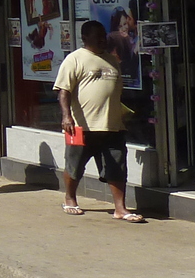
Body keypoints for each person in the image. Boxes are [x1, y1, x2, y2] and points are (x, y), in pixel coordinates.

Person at [55, 19, 144, 221]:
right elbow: (64, 91)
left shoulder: (112, 60)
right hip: (80, 126)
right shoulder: (74, 59)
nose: (103, 39)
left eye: (104, 35)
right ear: (85, 37)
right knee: (74, 165)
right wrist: (66, 116)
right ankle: (70, 199)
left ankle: (120, 209)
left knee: (117, 167)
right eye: (98, 36)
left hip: (112, 125)